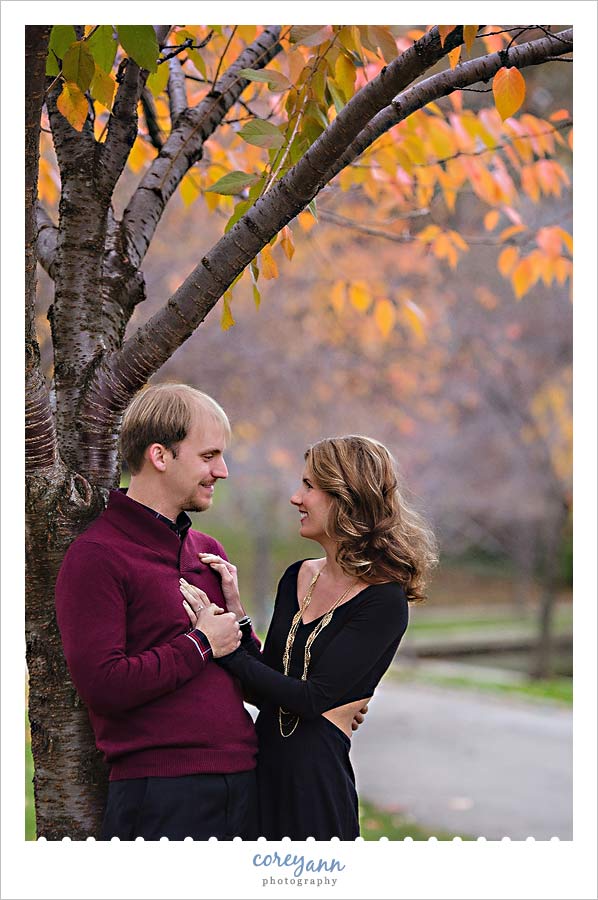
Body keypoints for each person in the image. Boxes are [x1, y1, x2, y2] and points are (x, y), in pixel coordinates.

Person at [180, 435, 438, 840]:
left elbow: (312, 698)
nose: (296, 498)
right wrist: (237, 615)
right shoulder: (297, 576)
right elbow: (264, 686)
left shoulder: (384, 601)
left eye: (309, 486)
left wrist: (222, 646)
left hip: (315, 790)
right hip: (259, 774)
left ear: (346, 497)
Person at [55, 383, 261, 841]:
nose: (221, 471)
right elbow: (104, 686)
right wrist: (201, 643)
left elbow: (252, 681)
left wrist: (238, 620)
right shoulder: (98, 555)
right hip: (162, 796)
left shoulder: (209, 553)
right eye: (209, 456)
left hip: (245, 781)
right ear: (160, 456)